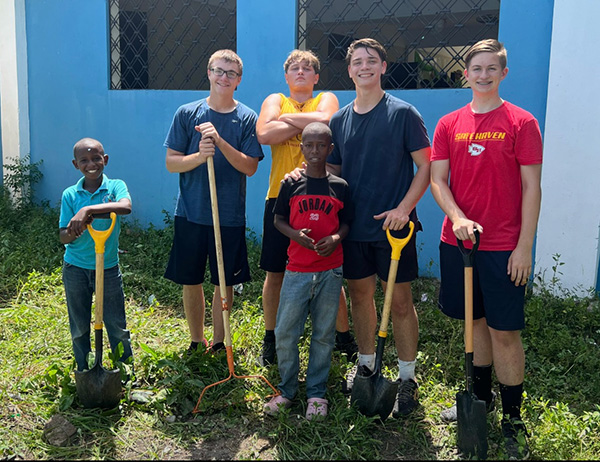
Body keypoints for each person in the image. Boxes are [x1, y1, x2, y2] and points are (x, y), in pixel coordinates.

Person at [430, 39, 543, 459]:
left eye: (490, 68)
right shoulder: (448, 123)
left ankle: (514, 420)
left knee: (504, 332)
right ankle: (480, 404)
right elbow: (438, 180)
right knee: (473, 324)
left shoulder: (521, 122)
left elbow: (532, 187)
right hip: (458, 243)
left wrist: (524, 247)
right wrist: (457, 217)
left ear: (503, 73)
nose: (482, 75)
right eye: (475, 68)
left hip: (502, 247)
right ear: (465, 74)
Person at [326, 38, 431, 417]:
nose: (364, 67)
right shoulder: (338, 120)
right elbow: (333, 172)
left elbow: (426, 166)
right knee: (359, 296)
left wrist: (405, 208)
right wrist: (307, 177)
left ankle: (407, 379)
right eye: (357, 62)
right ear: (350, 69)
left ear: (383, 67)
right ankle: (367, 365)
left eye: (371, 61)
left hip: (395, 230)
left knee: (400, 302)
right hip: (354, 229)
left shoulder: (403, 113)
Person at [256, 49, 358, 367]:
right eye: (294, 68)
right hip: (280, 197)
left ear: (316, 77)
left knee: (329, 270)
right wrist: (303, 124)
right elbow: (263, 133)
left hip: (322, 197)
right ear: (286, 77)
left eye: (307, 68)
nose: (301, 72)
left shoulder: (325, 98)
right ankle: (270, 337)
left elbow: (327, 121)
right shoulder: (275, 99)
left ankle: (343, 336)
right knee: (275, 273)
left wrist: (285, 122)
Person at [164, 49, 264, 354]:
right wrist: (200, 156)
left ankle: (220, 341)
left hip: (229, 215)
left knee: (224, 280)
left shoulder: (246, 118)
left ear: (239, 80)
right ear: (208, 73)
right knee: (190, 279)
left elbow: (249, 166)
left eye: (231, 74)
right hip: (191, 213)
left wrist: (220, 142)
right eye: (219, 71)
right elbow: (171, 162)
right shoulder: (186, 113)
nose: (224, 77)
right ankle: (197, 339)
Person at [263, 122, 353, 420]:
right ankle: (287, 390)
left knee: (324, 334)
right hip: (297, 270)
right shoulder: (290, 184)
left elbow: (346, 224)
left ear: (330, 149)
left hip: (330, 271)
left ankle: (316, 392)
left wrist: (336, 238)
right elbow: (278, 220)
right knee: (286, 332)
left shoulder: (340, 186)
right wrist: (296, 235)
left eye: (321, 146)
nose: (315, 151)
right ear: (301, 148)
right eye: (309, 145)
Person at [59, 137, 133, 373]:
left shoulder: (115, 187)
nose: (91, 164)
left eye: (96, 158)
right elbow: (63, 236)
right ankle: (84, 369)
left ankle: (124, 370)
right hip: (76, 269)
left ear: (105, 160)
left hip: (108, 268)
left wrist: (88, 209)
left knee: (116, 324)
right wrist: (75, 228)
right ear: (75, 164)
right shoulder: (70, 195)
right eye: (84, 160)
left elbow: (125, 206)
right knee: (79, 325)